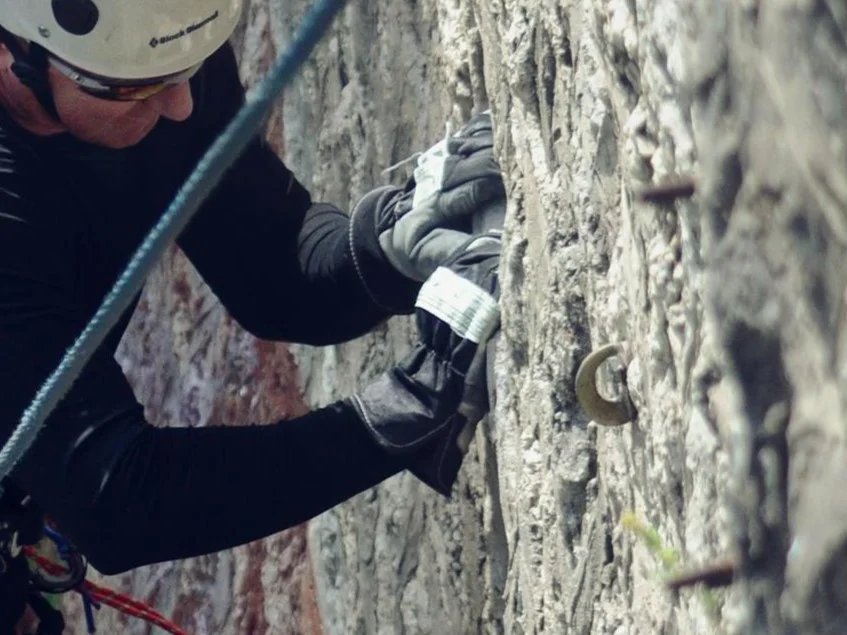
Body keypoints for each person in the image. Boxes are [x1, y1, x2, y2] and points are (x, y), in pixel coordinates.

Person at [0, 0, 506, 631]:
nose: (181, 107)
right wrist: (399, 414)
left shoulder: (150, 48)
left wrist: (379, 247)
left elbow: (268, 266)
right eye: (137, 89)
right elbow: (118, 498)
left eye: (191, 67)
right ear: (14, 55)